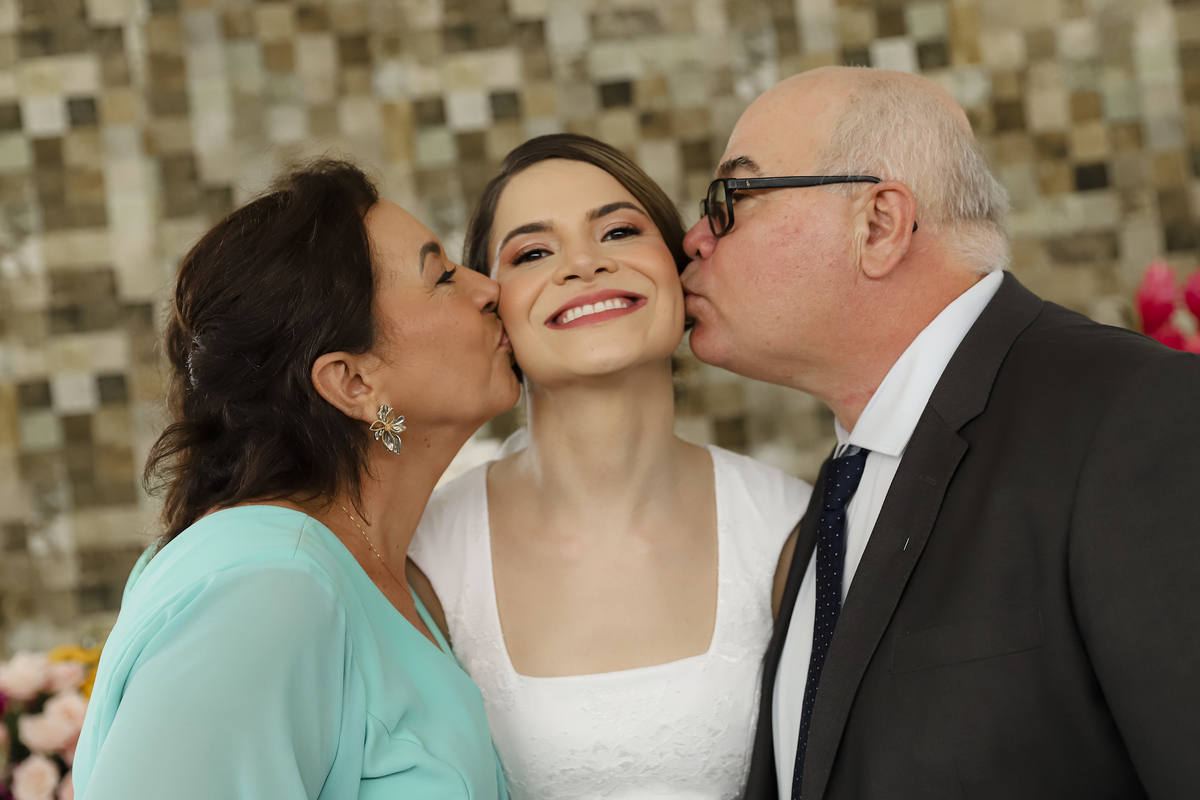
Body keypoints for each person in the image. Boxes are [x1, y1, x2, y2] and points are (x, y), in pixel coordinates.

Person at [681, 65, 1200, 800]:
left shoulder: (1136, 417)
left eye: (732, 198)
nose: (696, 237)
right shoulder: (844, 485)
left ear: (879, 225)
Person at [72, 161, 520, 799]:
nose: (489, 288)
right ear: (353, 382)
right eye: (442, 276)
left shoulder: (375, 573)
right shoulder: (269, 585)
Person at [407, 133, 812, 799]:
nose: (584, 264)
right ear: (493, 313)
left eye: (619, 232)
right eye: (534, 252)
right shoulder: (427, 558)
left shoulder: (791, 530)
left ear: (679, 268)